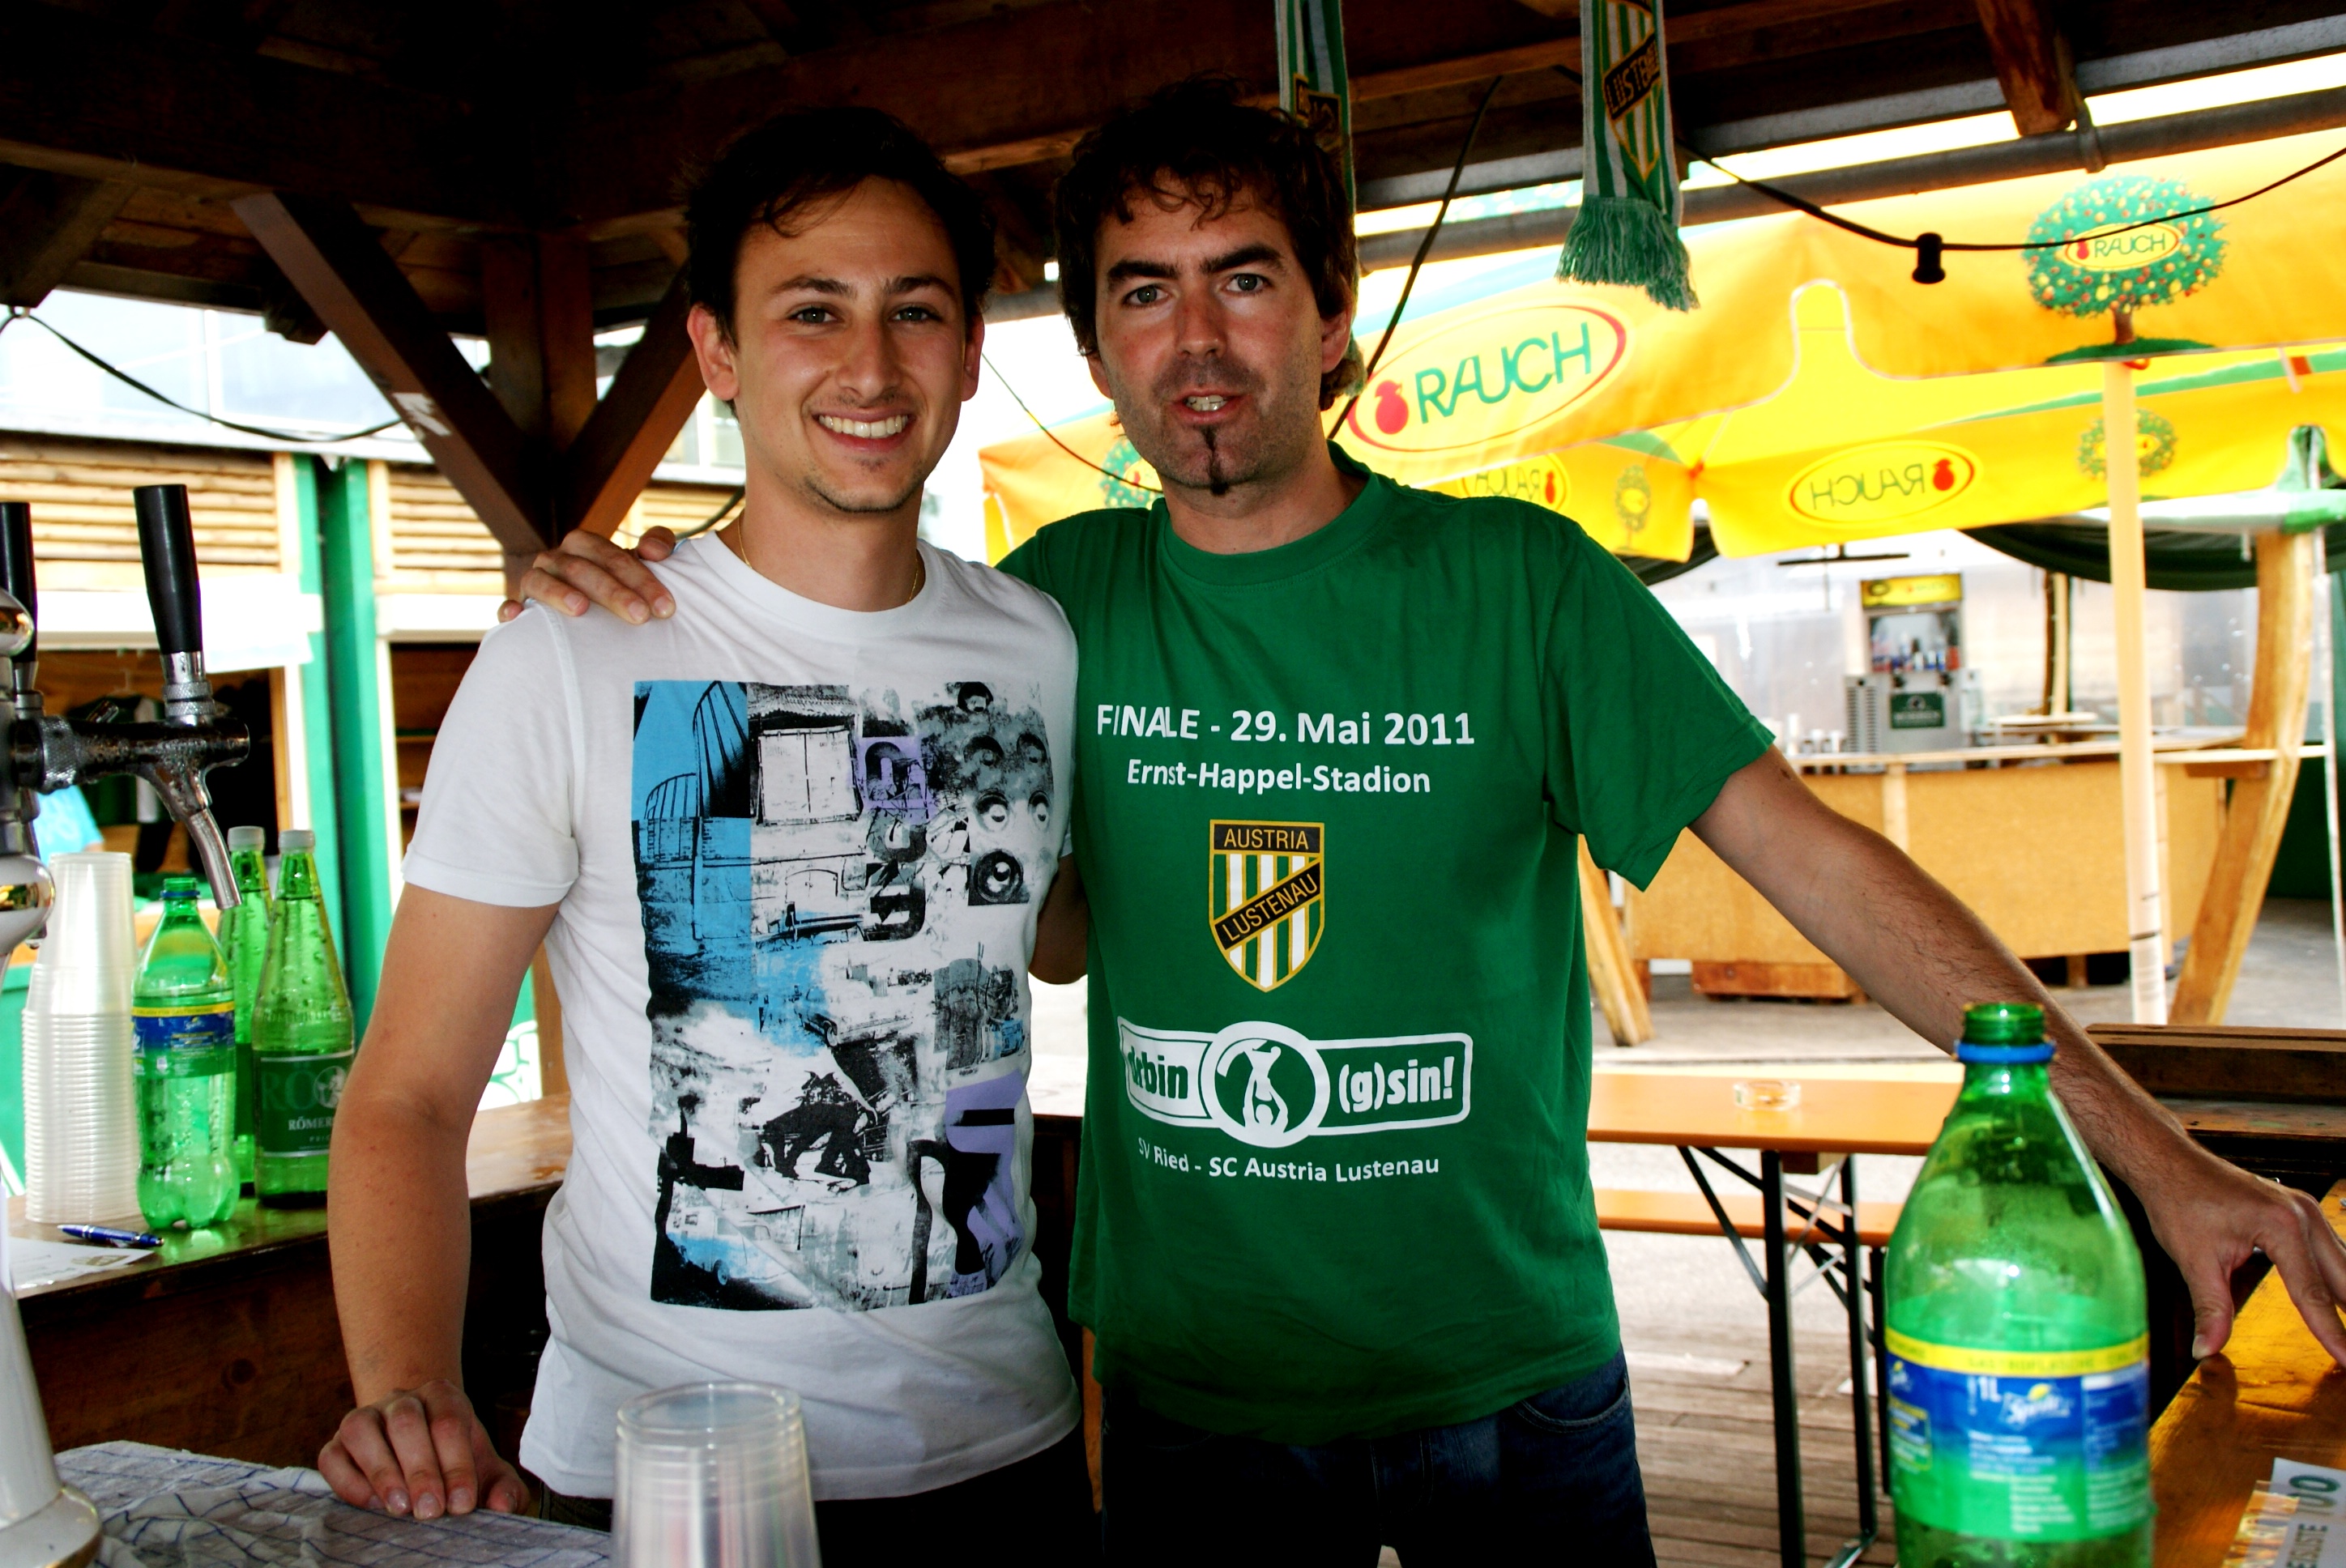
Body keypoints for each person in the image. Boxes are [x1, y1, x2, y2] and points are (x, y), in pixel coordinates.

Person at [509, 78, 2346, 1564]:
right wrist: (651, 586)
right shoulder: (1053, 607)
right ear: (1093, 347)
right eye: (1141, 293)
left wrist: (2153, 1151)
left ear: (1334, 315)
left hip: (1515, 1388)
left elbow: (1822, 867)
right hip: (1191, 1406)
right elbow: (986, 861)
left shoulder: (1521, 586)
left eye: (1243, 278)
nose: (1196, 339)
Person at [318, 108, 1097, 1560]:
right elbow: (409, 1095)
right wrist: (412, 1389)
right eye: (812, 311)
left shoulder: (1036, 646)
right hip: (671, 1469)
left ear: (970, 349)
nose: (869, 367)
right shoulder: (574, 652)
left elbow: (1050, 936)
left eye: (913, 311)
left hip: (1006, 1457)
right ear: (717, 352)